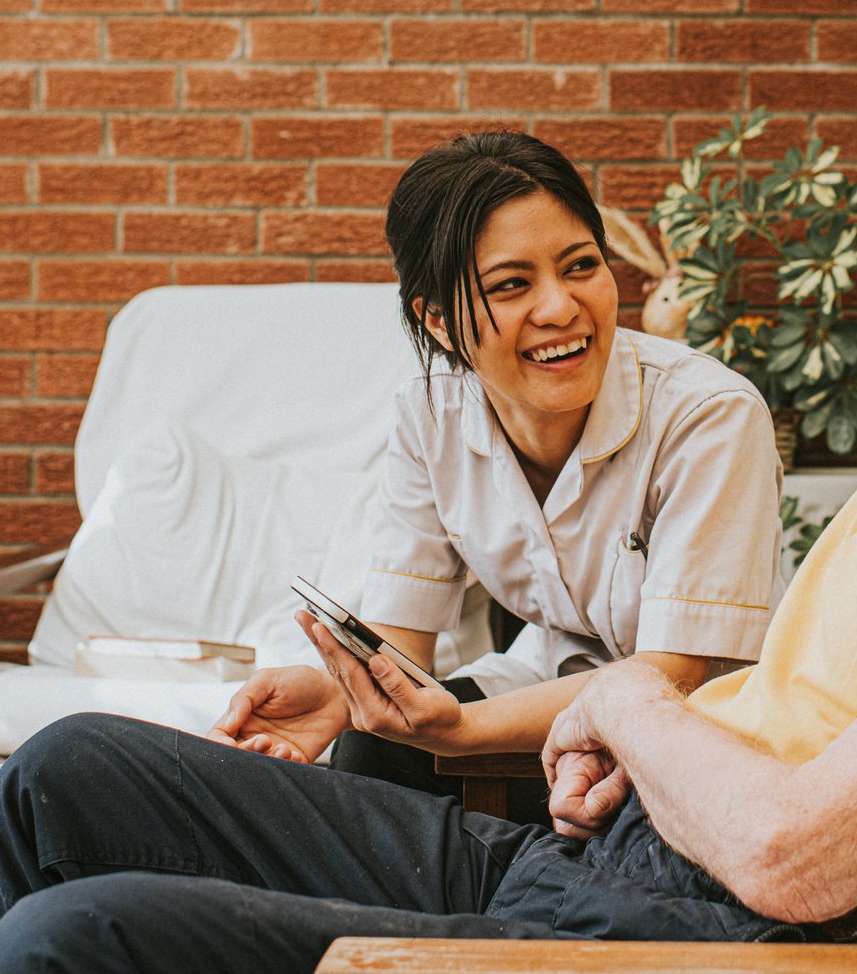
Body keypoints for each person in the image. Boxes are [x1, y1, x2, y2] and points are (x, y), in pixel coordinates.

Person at [0, 18, 857, 974]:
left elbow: (803, 851)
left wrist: (625, 703)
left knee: (77, 939)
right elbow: (772, 694)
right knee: (68, 769)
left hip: (679, 924)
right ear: (444, 320)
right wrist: (607, 735)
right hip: (593, 842)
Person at [222, 130, 785, 805]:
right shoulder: (432, 415)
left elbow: (675, 674)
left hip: (697, 735)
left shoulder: (708, 414)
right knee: (377, 746)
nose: (560, 307)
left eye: (580, 266)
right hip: (550, 695)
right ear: (437, 320)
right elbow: (405, 649)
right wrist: (345, 697)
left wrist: (462, 728)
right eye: (512, 284)